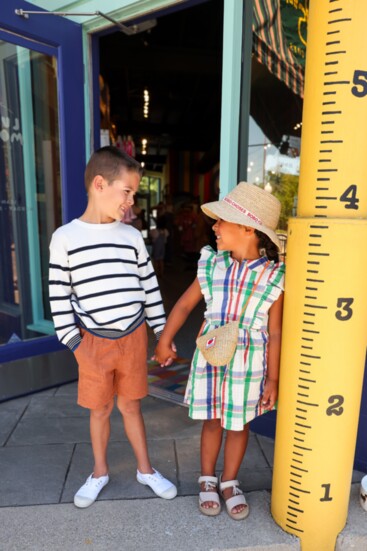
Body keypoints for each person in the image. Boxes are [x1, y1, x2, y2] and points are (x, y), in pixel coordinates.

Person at [49, 146, 177, 508]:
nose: (131, 201)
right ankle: (99, 471)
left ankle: (145, 469)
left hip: (134, 338)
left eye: (133, 194)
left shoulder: (132, 237)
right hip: (94, 343)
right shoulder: (65, 238)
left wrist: (162, 335)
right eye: (127, 191)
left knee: (132, 406)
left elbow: (149, 288)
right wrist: (76, 345)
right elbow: (59, 298)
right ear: (100, 184)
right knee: (99, 409)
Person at [154, 182, 284, 520]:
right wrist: (165, 338)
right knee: (212, 420)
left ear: (247, 228)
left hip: (248, 362)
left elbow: (275, 329)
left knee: (239, 425)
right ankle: (207, 478)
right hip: (213, 355)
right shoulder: (213, 264)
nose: (213, 226)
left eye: (221, 221)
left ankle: (229, 482)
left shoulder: (275, 278)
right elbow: (184, 305)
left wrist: (273, 378)